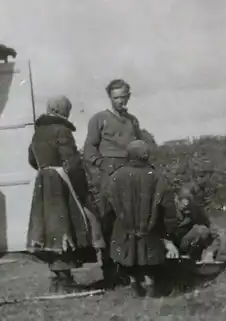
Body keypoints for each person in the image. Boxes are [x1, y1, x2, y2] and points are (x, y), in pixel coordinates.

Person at [27, 95, 103, 293]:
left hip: (43, 181)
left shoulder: (38, 132)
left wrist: (45, 170)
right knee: (65, 225)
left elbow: (32, 159)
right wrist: (80, 187)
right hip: (61, 181)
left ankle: (59, 278)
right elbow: (72, 162)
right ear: (63, 111)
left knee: (50, 227)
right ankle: (65, 279)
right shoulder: (63, 130)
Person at [83, 79, 144, 287]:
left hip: (132, 174)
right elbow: (89, 151)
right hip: (109, 177)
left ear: (129, 96)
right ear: (110, 98)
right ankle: (110, 271)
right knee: (109, 221)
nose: (120, 101)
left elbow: (141, 147)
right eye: (116, 97)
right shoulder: (99, 119)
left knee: (133, 220)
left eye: (123, 97)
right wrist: (104, 165)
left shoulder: (133, 121)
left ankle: (132, 268)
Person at [102, 140, 179, 297]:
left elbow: (105, 209)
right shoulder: (157, 177)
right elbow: (169, 210)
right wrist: (169, 235)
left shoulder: (114, 177)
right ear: (146, 156)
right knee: (149, 266)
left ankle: (134, 285)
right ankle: (150, 287)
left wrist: (108, 232)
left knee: (129, 264)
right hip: (151, 232)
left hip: (122, 231)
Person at [169, 182, 221, 262]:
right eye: (184, 203)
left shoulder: (196, 210)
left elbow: (215, 236)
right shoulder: (166, 209)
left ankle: (192, 260)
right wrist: (168, 245)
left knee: (201, 230)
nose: (187, 207)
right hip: (167, 248)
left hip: (185, 246)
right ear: (176, 198)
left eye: (190, 204)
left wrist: (210, 252)